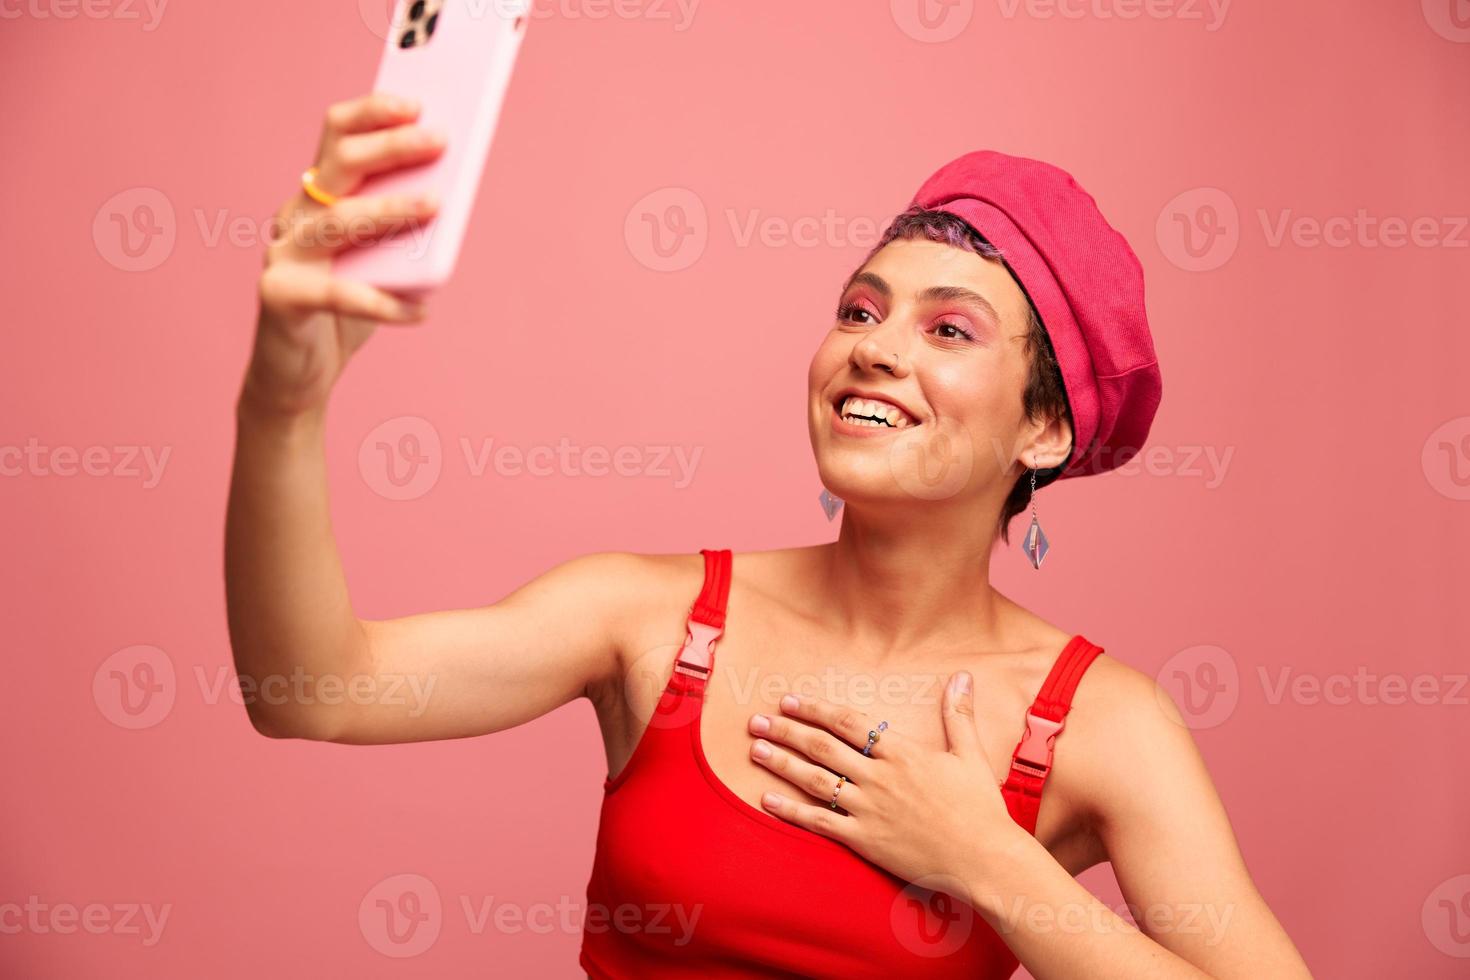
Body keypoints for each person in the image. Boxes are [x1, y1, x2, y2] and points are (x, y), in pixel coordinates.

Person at [226, 91, 1313, 978]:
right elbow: (310, 690)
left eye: (946, 328)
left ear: (1041, 425)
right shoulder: (645, 615)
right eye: (858, 309)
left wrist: (989, 860)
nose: (876, 348)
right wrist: (283, 406)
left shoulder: (1097, 722)